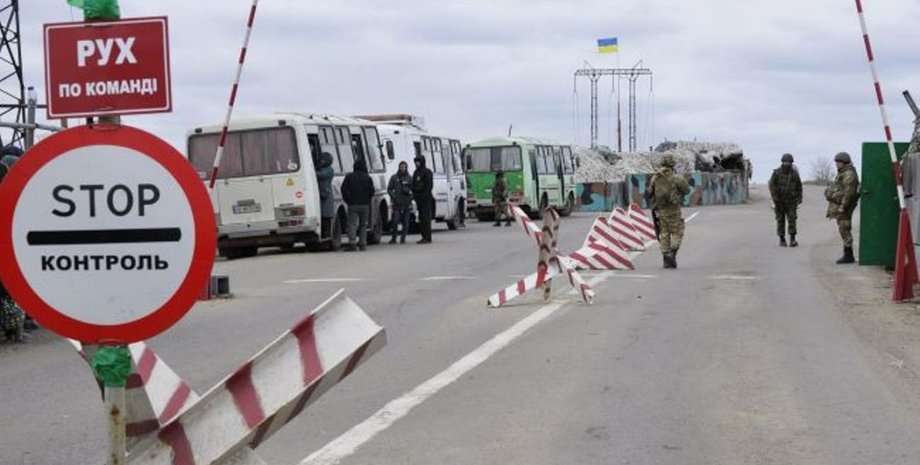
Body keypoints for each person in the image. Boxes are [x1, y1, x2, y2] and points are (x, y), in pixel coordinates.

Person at [649, 154, 691, 269]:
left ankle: (666, 258)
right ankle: (672, 253)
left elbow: (649, 192)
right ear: (673, 163)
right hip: (674, 210)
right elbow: (687, 190)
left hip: (661, 210)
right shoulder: (677, 178)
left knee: (664, 233)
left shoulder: (655, 178)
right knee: (677, 232)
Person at [825, 151, 860, 264]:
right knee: (843, 229)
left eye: (838, 162)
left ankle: (848, 255)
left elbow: (849, 192)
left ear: (843, 162)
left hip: (844, 207)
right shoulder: (843, 173)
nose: (836, 164)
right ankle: (847, 254)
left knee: (845, 229)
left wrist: (843, 206)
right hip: (841, 205)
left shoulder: (849, 174)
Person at [768, 153, 803, 247]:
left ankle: (792, 239)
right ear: (782, 162)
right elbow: (772, 186)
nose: (787, 164)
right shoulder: (776, 173)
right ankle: (782, 239)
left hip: (791, 201)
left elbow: (799, 186)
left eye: (789, 162)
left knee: (792, 220)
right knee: (780, 220)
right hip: (779, 201)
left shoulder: (794, 174)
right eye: (785, 162)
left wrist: (799, 198)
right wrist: (775, 198)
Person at [341, 159, 375, 251]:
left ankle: (352, 243)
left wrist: (347, 200)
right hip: (364, 205)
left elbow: (343, 189)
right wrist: (367, 200)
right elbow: (372, 191)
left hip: (353, 204)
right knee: (363, 225)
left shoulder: (349, 177)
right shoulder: (367, 177)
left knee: (352, 225)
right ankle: (363, 244)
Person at [387, 161, 413, 244]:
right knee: (395, 221)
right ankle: (394, 238)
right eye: (401, 167)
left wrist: (411, 198)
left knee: (406, 222)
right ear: (399, 167)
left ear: (406, 168)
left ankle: (403, 238)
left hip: (407, 203)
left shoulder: (409, 178)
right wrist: (393, 197)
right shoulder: (394, 178)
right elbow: (389, 189)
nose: (402, 168)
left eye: (404, 167)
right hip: (397, 204)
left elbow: (414, 190)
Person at [411, 154, 434, 244]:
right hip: (418, 198)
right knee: (421, 218)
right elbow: (413, 184)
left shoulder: (427, 172)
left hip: (426, 199)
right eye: (416, 162)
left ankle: (428, 237)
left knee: (425, 218)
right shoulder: (416, 172)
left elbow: (429, 186)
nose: (417, 163)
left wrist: (423, 194)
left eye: (418, 161)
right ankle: (423, 236)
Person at [316, 152, 335, 238]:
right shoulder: (323, 168)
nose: (321, 161)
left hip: (326, 196)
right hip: (321, 195)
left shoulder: (329, 170)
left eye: (323, 160)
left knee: (326, 218)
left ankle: (327, 235)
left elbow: (321, 175)